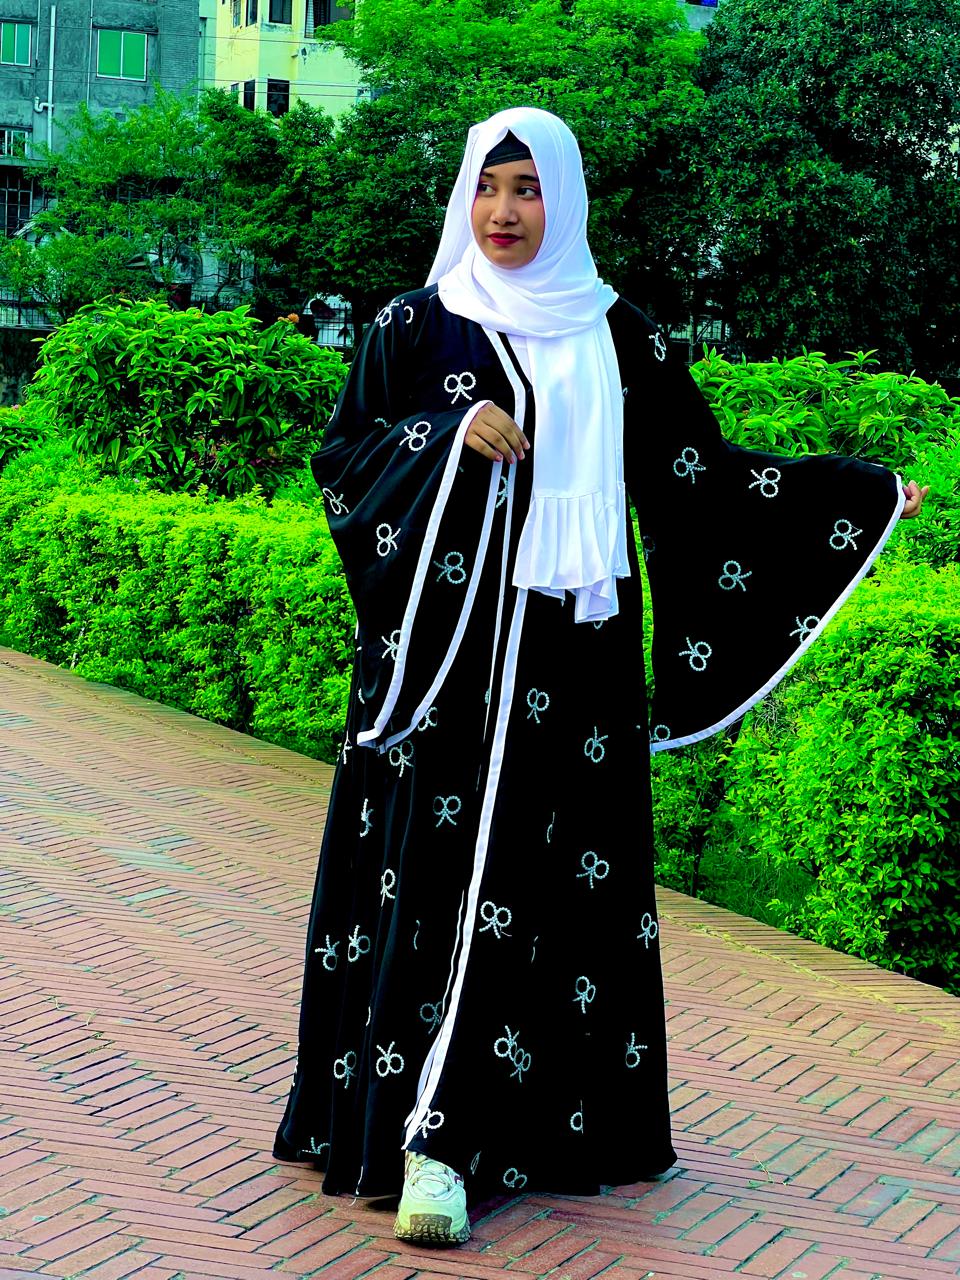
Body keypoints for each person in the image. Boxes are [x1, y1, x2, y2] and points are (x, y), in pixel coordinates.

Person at [272, 106, 928, 1246]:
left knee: (554, 883)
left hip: (581, 656)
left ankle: (544, 1126)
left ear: (564, 198)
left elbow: (703, 478)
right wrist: (445, 434)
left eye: (528, 189)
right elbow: (344, 463)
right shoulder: (415, 326)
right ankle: (430, 1143)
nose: (505, 212)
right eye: (489, 187)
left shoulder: (619, 331)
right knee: (458, 877)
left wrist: (859, 498)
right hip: (455, 660)